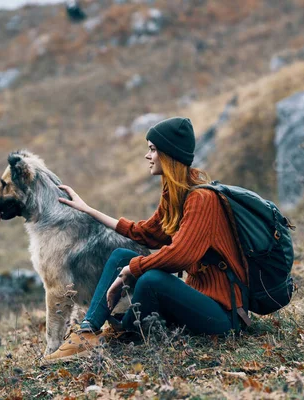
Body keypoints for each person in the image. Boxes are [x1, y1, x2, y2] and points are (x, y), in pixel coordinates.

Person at [44, 117, 248, 362]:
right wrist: (88, 210)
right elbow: (144, 233)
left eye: (152, 149)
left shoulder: (203, 200)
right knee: (121, 255)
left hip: (223, 317)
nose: (147, 156)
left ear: (169, 154)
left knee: (150, 278)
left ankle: (119, 332)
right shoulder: (175, 196)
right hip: (196, 302)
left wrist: (131, 270)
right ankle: (89, 331)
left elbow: (179, 255)